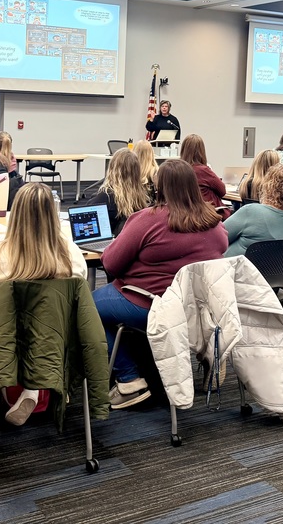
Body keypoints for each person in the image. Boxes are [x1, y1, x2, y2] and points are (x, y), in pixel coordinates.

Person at [94, 159, 226, 408]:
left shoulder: (147, 219)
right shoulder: (214, 222)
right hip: (196, 311)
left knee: (85, 306)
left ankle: (129, 380)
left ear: (159, 188)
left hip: (149, 304)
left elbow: (110, 264)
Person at [0, 182, 87, 425]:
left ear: (14, 214)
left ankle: (11, 387)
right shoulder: (72, 256)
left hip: (2, 345)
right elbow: (79, 307)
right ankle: (40, 385)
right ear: (53, 215)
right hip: (54, 343)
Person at [225, 164, 283, 264]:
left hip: (236, 276)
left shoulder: (250, 212)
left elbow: (218, 240)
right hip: (276, 279)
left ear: (268, 187)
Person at [84, 149, 149, 235]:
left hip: (107, 244)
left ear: (112, 169)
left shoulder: (105, 197)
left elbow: (85, 225)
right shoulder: (143, 198)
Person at [178, 134, 227, 217]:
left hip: (184, 214)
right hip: (206, 214)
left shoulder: (177, 169)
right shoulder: (203, 170)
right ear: (201, 151)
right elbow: (222, 191)